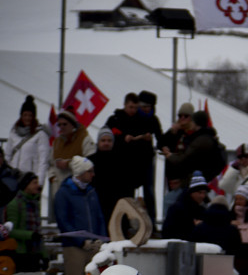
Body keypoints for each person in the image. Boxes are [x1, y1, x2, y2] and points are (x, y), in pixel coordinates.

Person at [54, 155, 107, 275]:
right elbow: (63, 222)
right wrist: (81, 241)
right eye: (90, 171)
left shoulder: (91, 192)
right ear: (80, 172)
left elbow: (100, 217)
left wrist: (101, 239)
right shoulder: (63, 193)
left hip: (94, 246)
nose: (93, 174)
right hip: (74, 248)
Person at [4, 95, 50, 192]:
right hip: (13, 177)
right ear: (21, 116)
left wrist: (39, 182)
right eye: (25, 115)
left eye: (30, 115)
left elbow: (43, 160)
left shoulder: (41, 134)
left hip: (30, 180)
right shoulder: (14, 132)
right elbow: (7, 155)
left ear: (34, 117)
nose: (27, 118)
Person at [49, 108, 95, 198]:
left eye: (65, 124)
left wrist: (68, 163)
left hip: (78, 191)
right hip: (59, 191)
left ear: (72, 125)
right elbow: (50, 163)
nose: (61, 127)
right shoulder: (56, 142)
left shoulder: (84, 139)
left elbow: (90, 162)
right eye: (59, 125)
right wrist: (52, 178)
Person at [135, 90, 164, 226]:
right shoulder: (133, 117)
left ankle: (151, 221)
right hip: (133, 159)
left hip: (147, 159)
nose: (145, 108)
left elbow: (160, 137)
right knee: (130, 191)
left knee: (149, 191)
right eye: (142, 105)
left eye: (148, 106)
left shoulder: (153, 119)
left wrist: (162, 146)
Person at [5, 172, 43, 272]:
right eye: (34, 183)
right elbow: (10, 231)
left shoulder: (35, 203)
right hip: (20, 253)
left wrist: (44, 254)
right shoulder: (15, 204)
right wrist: (30, 235)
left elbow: (38, 230)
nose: (37, 186)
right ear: (26, 185)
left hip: (35, 252)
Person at [90, 128, 128, 229]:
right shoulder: (90, 161)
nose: (106, 143)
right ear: (98, 142)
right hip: (97, 202)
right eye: (103, 140)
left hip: (116, 204)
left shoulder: (121, 160)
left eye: (109, 140)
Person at [161, 170, 210, 241]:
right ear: (191, 193)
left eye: (204, 193)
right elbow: (168, 233)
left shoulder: (202, 210)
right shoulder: (176, 209)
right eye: (199, 193)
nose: (202, 196)